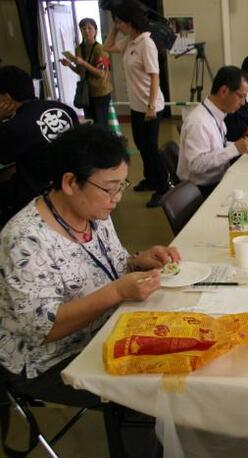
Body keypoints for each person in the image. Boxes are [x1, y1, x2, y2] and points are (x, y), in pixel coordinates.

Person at [0, 124, 180, 407]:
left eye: (122, 185)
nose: (118, 197)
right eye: (110, 188)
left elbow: (112, 262)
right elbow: (44, 330)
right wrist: (118, 293)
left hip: (107, 326)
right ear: (70, 183)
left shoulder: (94, 210)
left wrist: (137, 260)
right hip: (50, 359)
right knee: (166, 383)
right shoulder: (24, 240)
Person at [103, 0, 169, 208]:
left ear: (131, 22)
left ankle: (163, 187)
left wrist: (150, 106)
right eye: (117, 22)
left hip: (151, 106)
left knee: (150, 147)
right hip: (136, 105)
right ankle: (150, 179)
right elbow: (106, 47)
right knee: (141, 145)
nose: (118, 26)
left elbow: (155, 77)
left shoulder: (145, 44)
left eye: (120, 22)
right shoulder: (129, 42)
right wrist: (114, 26)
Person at [0, 65, 78, 225]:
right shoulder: (64, 109)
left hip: (38, 197)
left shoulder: (14, 127)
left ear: (6, 99)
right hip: (72, 187)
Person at [177, 66, 248, 197]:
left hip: (216, 181)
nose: (243, 103)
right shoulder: (198, 122)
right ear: (224, 91)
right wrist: (234, 149)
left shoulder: (216, 114)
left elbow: (219, 145)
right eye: (241, 96)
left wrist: (244, 144)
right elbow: (196, 165)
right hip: (200, 191)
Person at [59, 17, 113, 128]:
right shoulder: (79, 48)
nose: (86, 31)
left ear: (96, 31)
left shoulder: (102, 49)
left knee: (101, 125)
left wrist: (83, 63)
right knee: (91, 124)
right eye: (83, 28)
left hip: (101, 92)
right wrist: (69, 65)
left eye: (90, 28)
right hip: (86, 93)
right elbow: (81, 72)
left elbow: (101, 73)